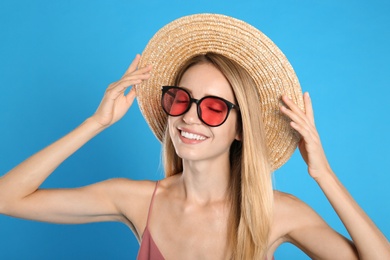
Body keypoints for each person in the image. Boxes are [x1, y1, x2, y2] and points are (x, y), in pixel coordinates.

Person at [0, 13, 389, 260]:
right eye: (181, 98)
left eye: (215, 108)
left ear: (241, 130)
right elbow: (7, 199)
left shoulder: (275, 213)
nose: (189, 116)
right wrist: (95, 123)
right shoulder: (137, 201)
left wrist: (323, 174)